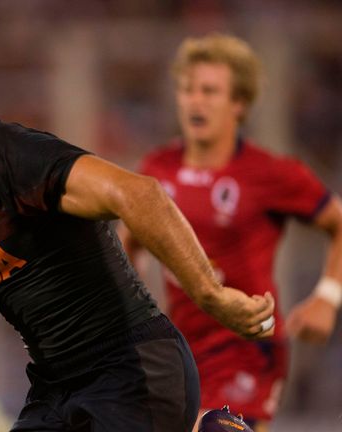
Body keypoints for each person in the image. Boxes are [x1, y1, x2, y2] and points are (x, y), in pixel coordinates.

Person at [0, 19, 276, 432]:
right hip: (55, 390)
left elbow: (140, 194)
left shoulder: (16, 156)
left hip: (132, 368)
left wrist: (211, 295)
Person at [119, 34, 342, 431]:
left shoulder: (270, 172)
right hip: (181, 350)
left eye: (209, 91)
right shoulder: (157, 169)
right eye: (187, 89)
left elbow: (338, 222)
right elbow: (127, 243)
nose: (195, 100)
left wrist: (328, 296)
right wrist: (126, 314)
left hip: (248, 349)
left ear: (238, 104)